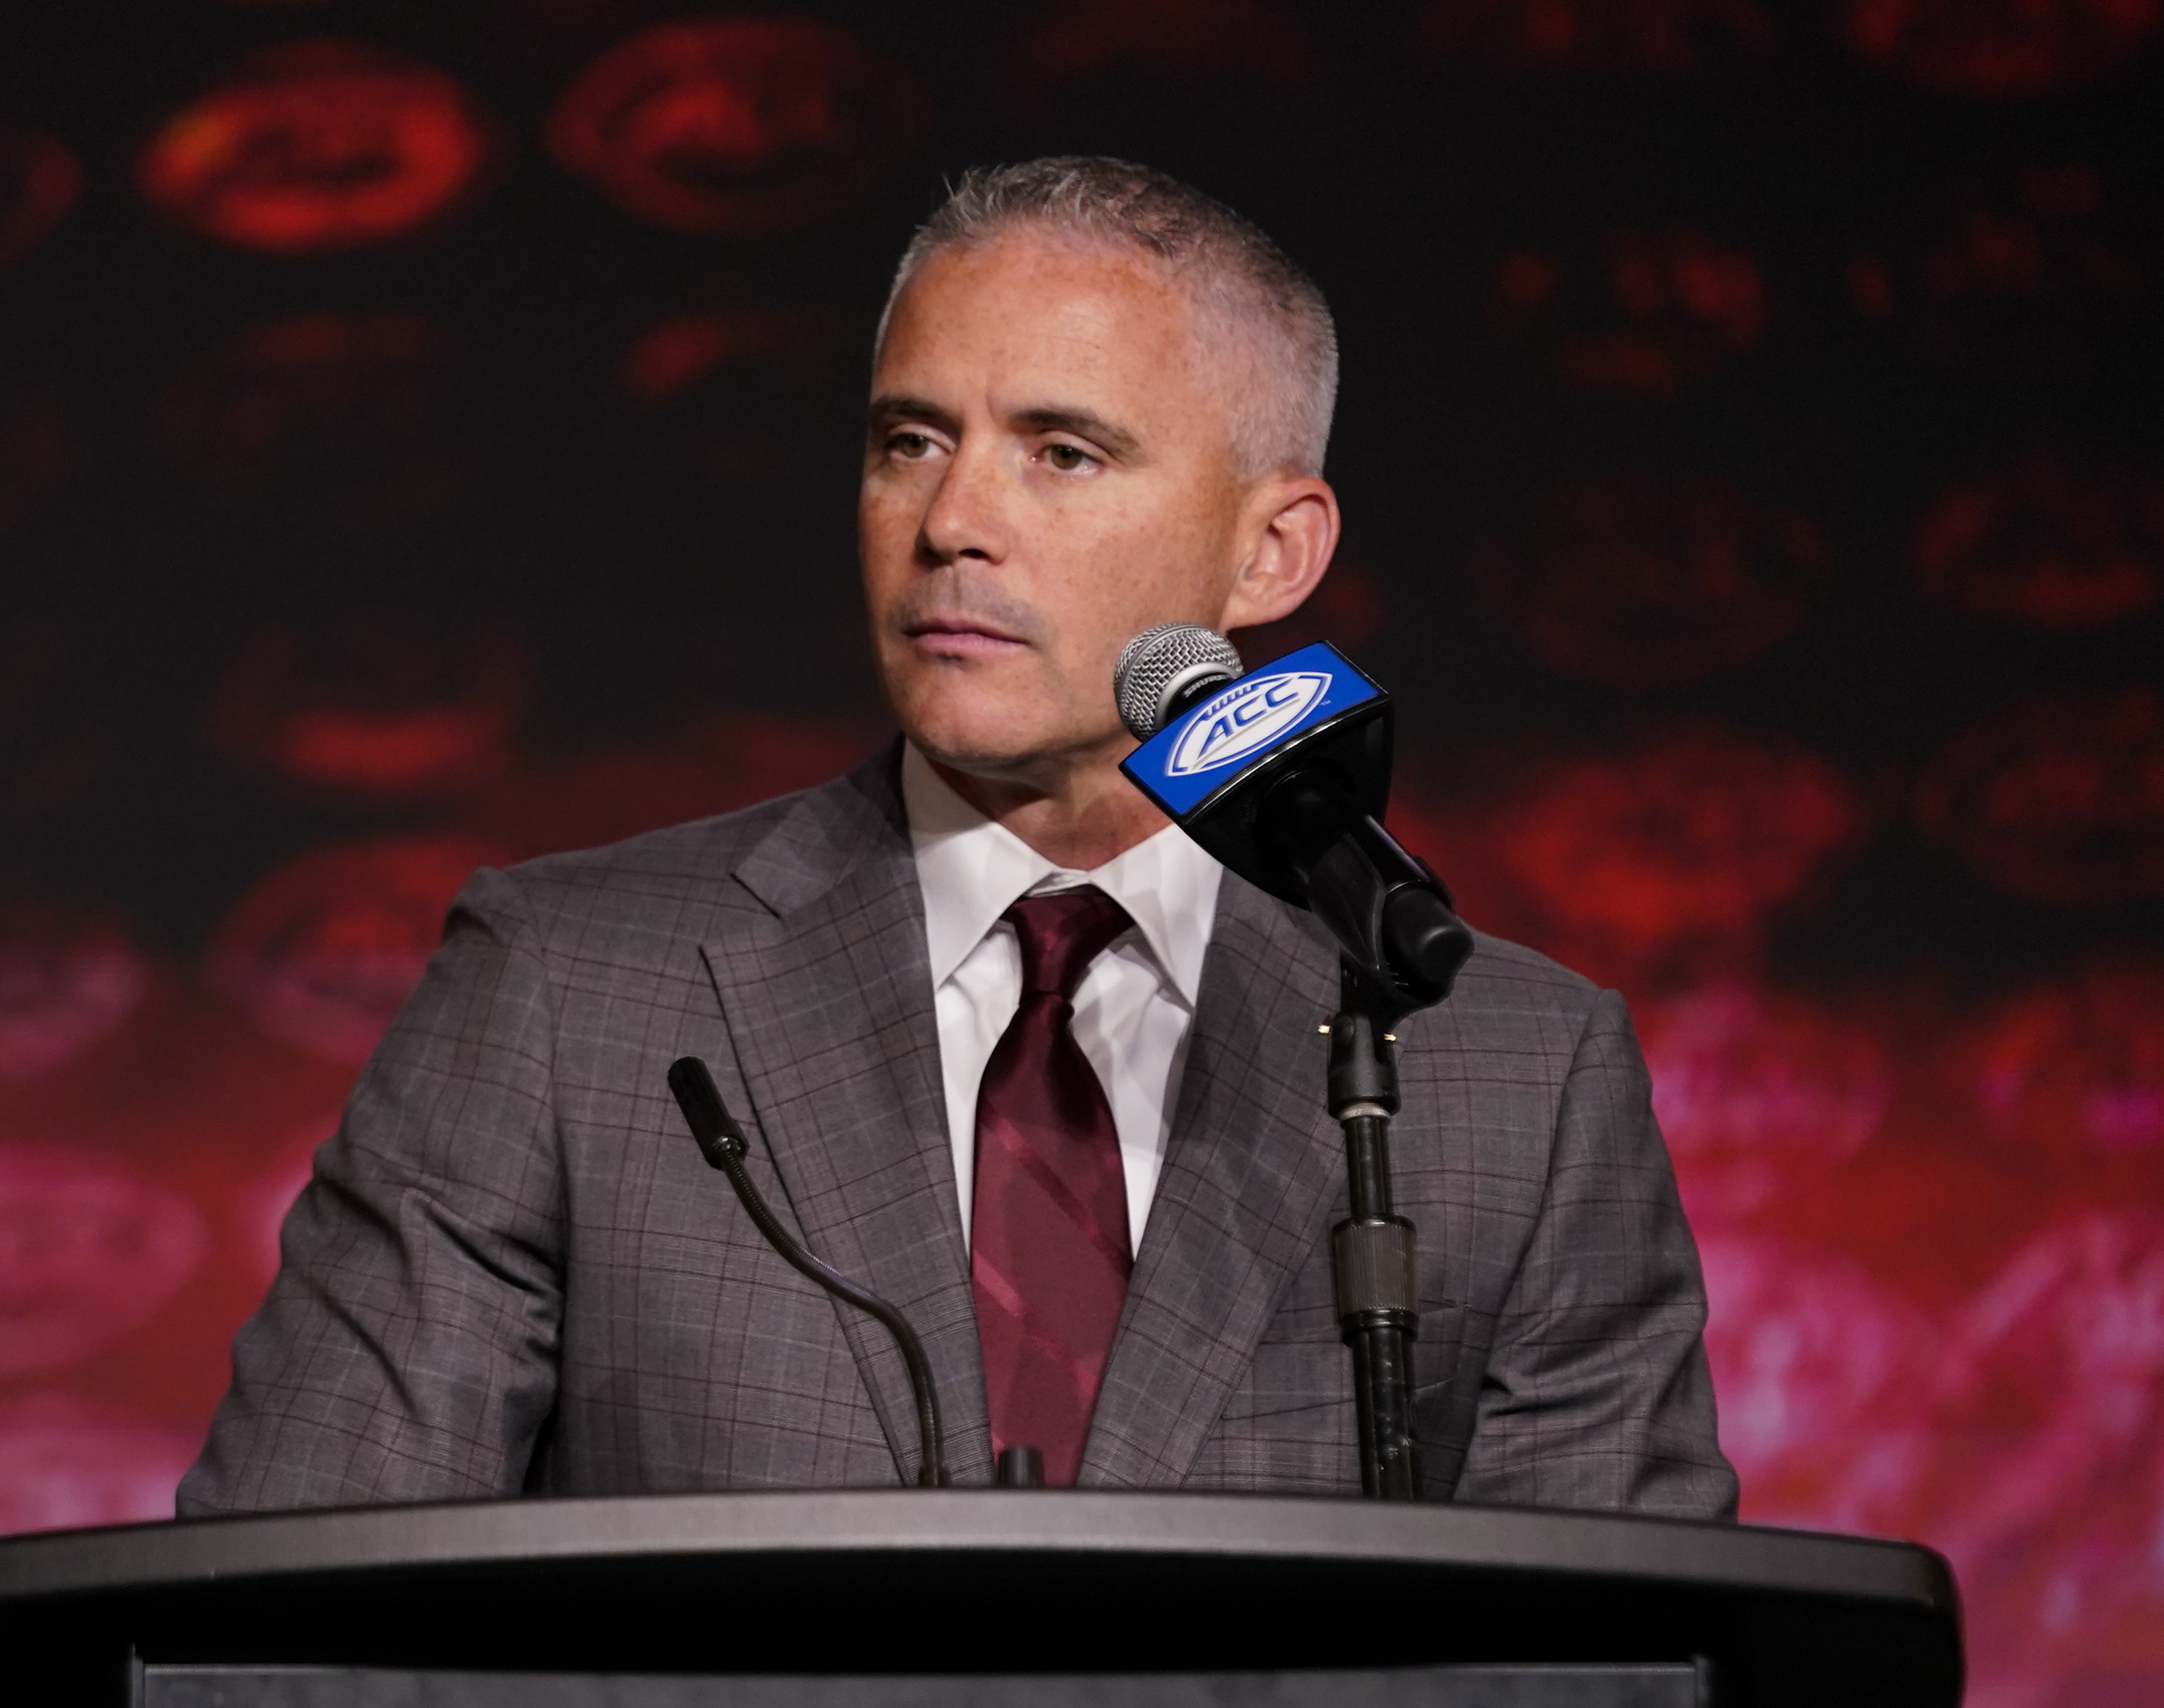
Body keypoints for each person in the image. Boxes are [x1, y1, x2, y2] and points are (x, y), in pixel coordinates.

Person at [183, 156, 1733, 1518]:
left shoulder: (1510, 1076)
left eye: (1062, 452)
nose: (949, 523)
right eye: (910, 441)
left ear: (1273, 550)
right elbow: (270, 1639)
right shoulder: (564, 997)